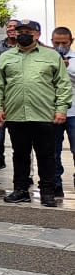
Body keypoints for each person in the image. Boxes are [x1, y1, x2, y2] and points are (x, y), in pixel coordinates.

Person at [0, 20, 72, 207]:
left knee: (46, 156)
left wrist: (61, 109)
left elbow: (63, 84)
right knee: (19, 155)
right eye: (20, 31)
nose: (23, 34)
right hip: (16, 115)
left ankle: (47, 192)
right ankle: (20, 190)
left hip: (44, 114)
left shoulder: (51, 56)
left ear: (37, 35)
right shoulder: (6, 57)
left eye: (28, 31)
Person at [0, 18, 21, 171]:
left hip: (18, 97)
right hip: (0, 96)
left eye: (15, 27)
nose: (12, 29)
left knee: (20, 137)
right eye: (9, 26)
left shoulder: (26, 48)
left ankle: (22, 165)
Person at [52, 27, 75, 197]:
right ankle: (55, 184)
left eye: (64, 43)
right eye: (56, 42)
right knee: (53, 151)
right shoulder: (46, 59)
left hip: (74, 112)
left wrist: (65, 69)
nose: (60, 46)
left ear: (71, 42)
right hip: (52, 112)